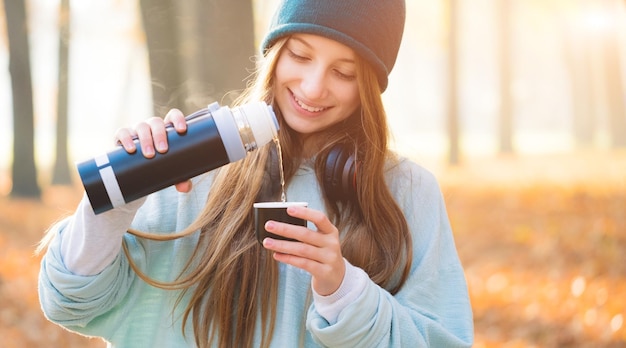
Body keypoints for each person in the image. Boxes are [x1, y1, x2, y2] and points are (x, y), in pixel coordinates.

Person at [38, 0, 474, 347]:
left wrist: (344, 291)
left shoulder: (407, 191)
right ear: (274, 54)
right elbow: (69, 303)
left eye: (344, 72)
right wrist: (120, 198)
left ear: (371, 89)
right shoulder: (193, 163)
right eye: (300, 56)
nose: (312, 87)